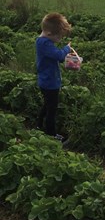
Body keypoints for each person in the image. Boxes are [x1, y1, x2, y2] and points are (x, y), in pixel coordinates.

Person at [35, 12, 72, 141]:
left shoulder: (43, 41)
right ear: (50, 34)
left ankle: (39, 127)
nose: (60, 39)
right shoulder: (45, 44)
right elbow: (60, 56)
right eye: (60, 37)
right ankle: (51, 135)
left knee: (47, 105)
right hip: (50, 83)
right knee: (52, 109)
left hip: (46, 81)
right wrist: (67, 49)